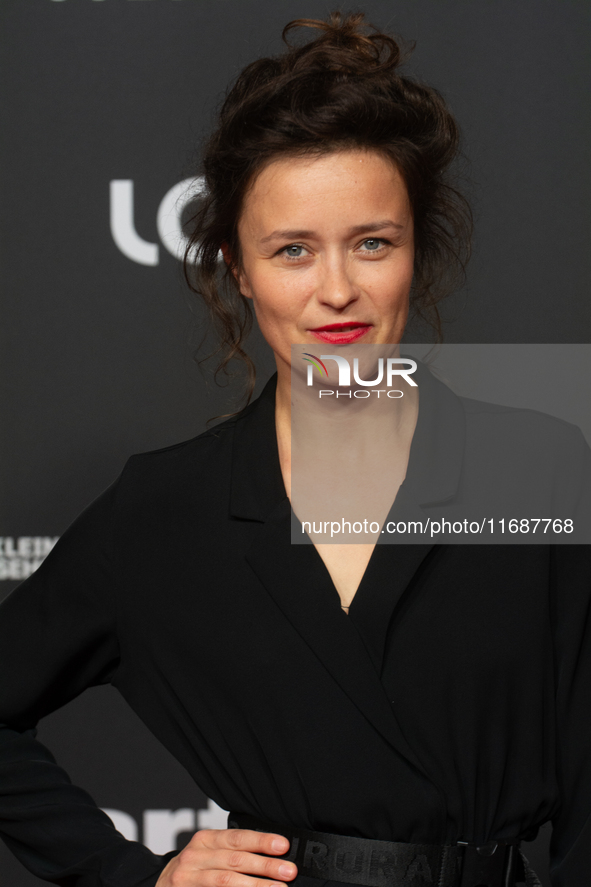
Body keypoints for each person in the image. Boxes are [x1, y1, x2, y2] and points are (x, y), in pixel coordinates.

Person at [0, 12, 589, 887]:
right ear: (237, 268)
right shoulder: (168, 507)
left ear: (414, 252)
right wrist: (130, 873)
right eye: (292, 251)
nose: (337, 289)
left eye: (371, 243)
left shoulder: (537, 464)